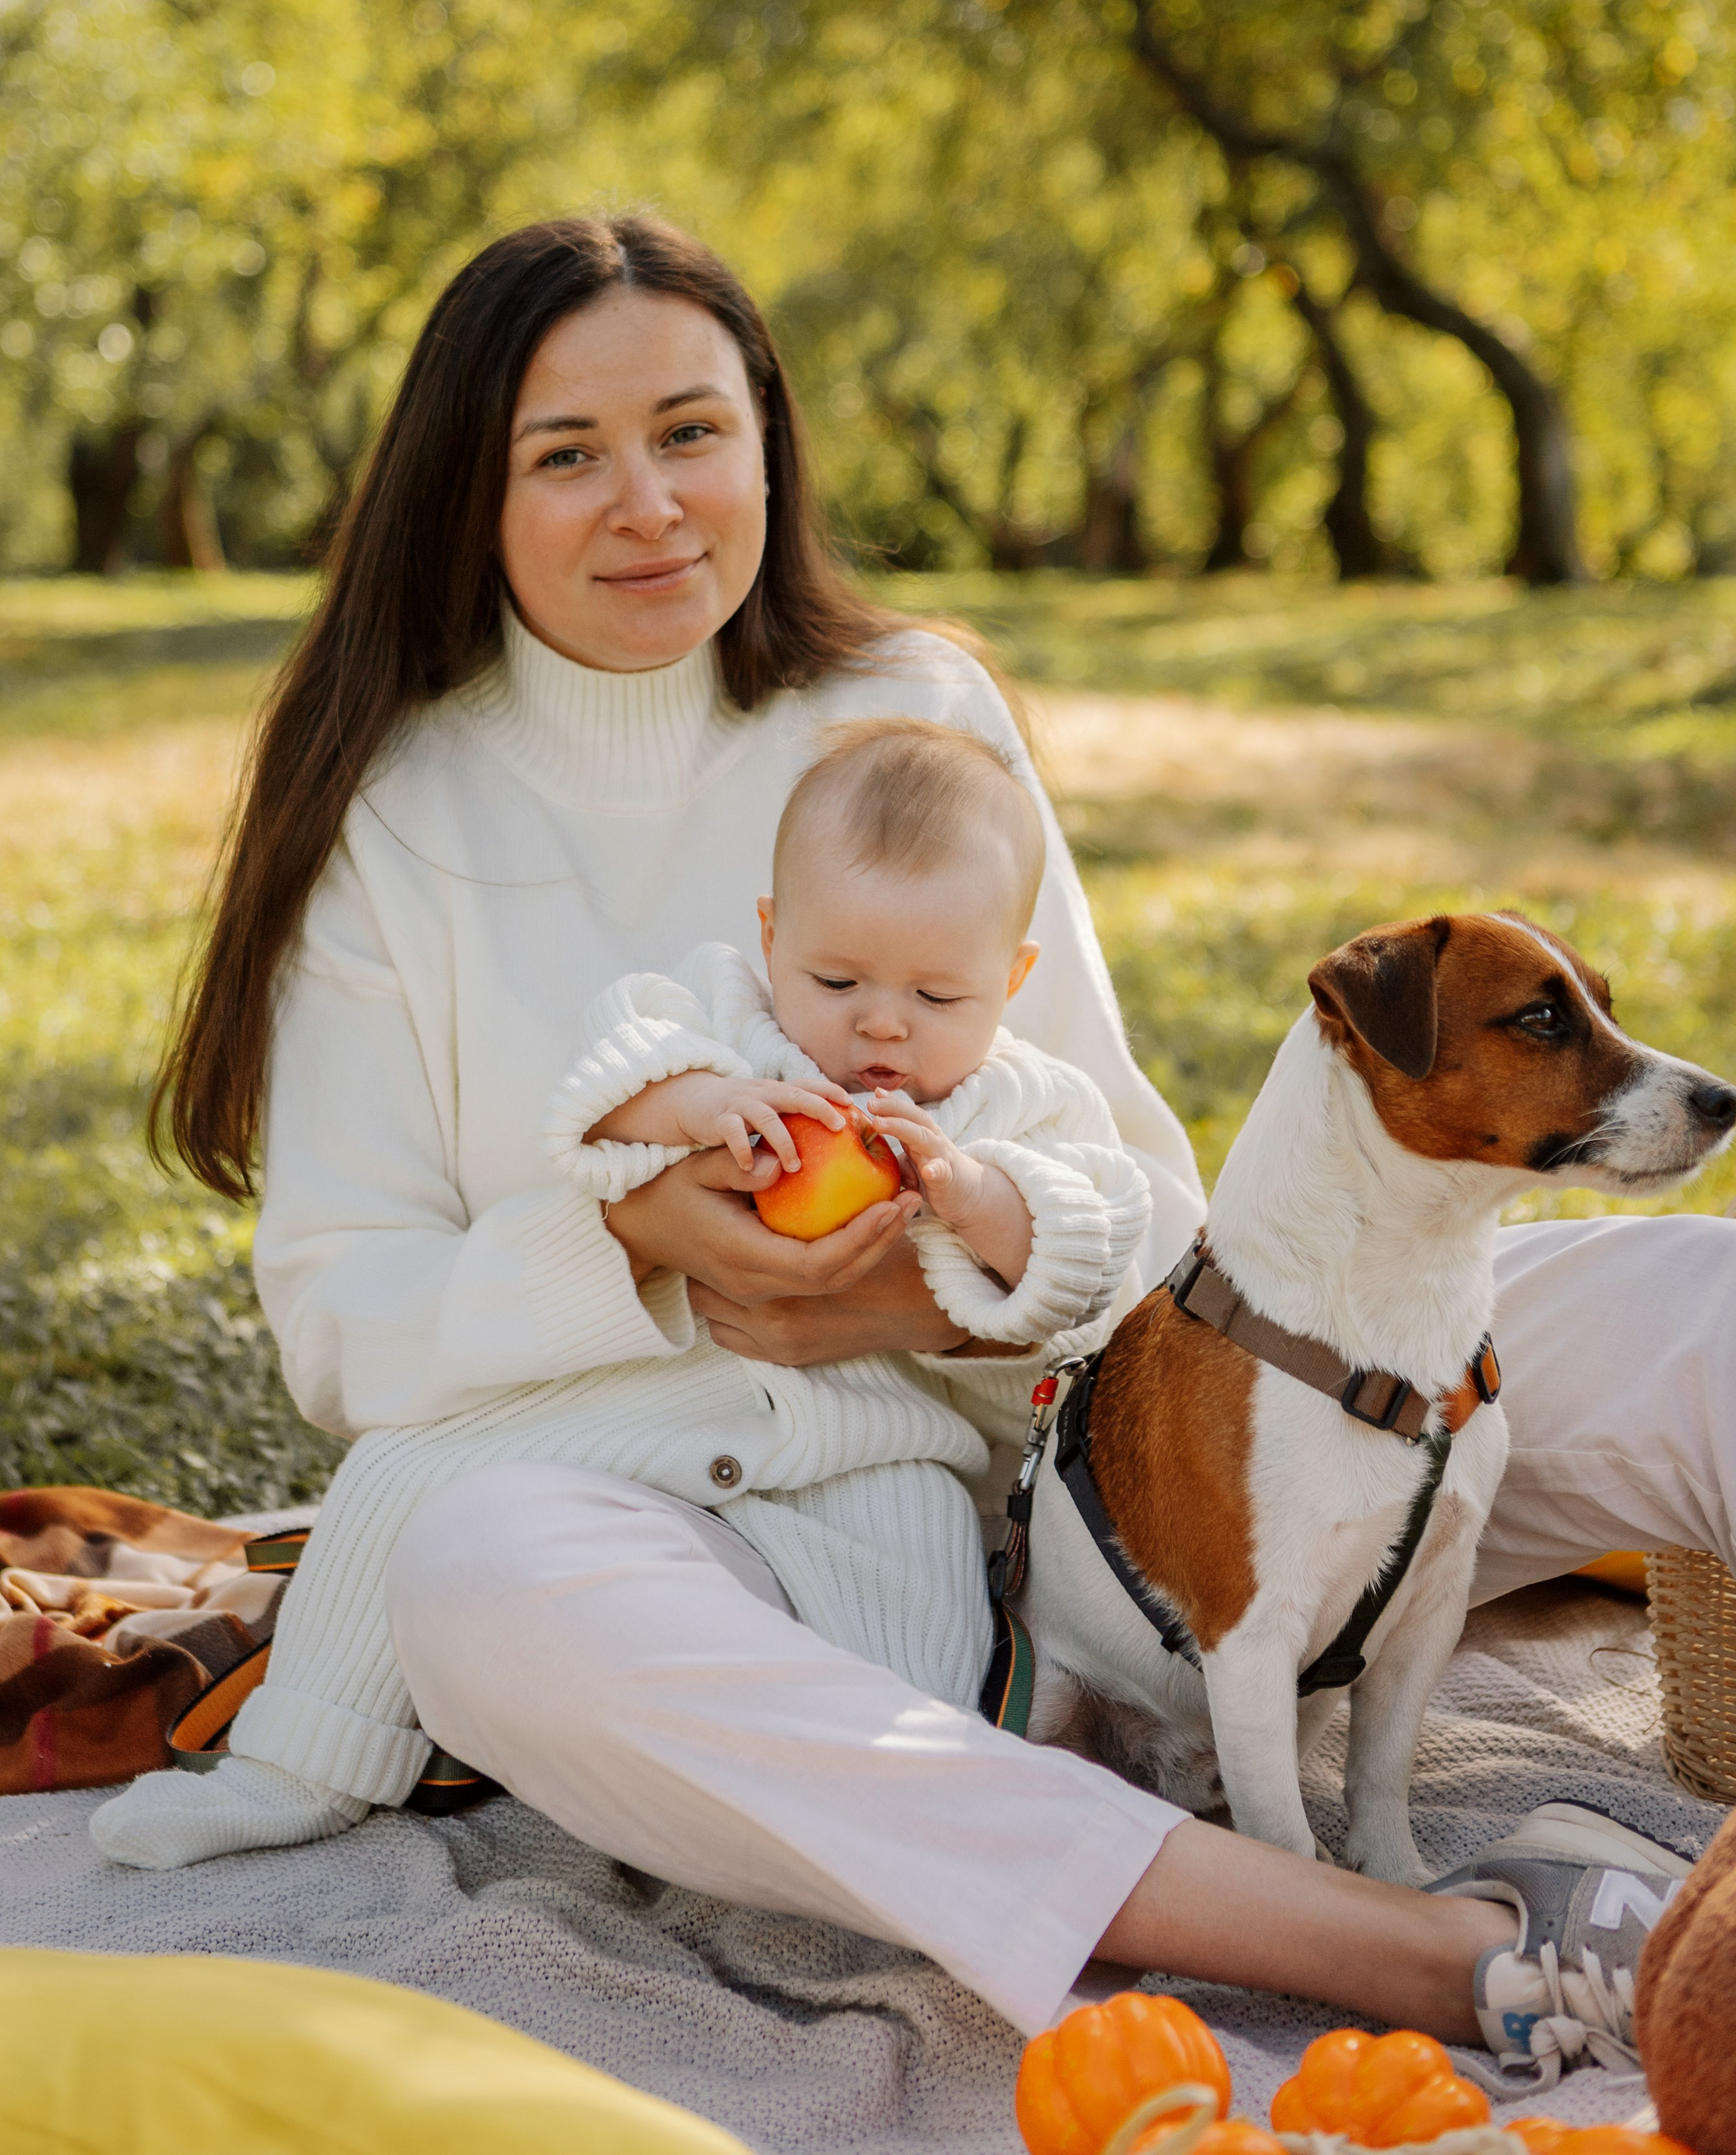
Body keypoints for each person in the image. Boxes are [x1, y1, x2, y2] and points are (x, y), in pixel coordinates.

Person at [88, 216, 1736, 2061]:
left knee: (1708, 1291)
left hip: (1125, 1505)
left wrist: (952, 1291)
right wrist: (645, 1246)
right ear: (465, 492)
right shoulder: (399, 819)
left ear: (768, 446)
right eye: (566, 454)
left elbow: (1153, 1208)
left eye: (691, 431)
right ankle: (1387, 1948)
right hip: (723, 1578)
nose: (647, 501)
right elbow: (346, 1326)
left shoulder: (913, 712)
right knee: (472, 1582)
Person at [97, 715, 1152, 1851]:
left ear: (1013, 976)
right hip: (653, 1395)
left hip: (875, 1446)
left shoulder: (1024, 1107)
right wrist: (698, 1105)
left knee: (917, 1618)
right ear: (770, 932)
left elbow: (1096, 1240)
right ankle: (297, 1762)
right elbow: (605, 1082)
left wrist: (979, 1197)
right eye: (835, 975)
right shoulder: (725, 1019)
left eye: (940, 998)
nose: (880, 1023)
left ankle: (928, 1809)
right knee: (399, 1471)